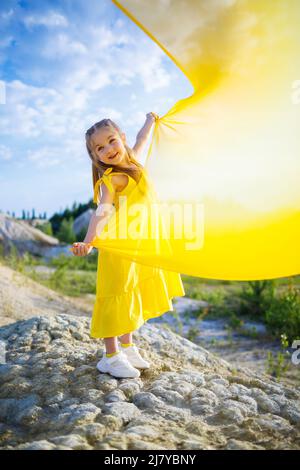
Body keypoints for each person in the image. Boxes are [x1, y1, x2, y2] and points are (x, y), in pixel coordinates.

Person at [71, 112, 185, 379]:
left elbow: (142, 138)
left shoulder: (134, 161)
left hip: (136, 248)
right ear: (95, 155)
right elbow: (101, 212)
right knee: (115, 296)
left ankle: (127, 346)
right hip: (117, 249)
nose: (108, 149)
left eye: (111, 141)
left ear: (121, 138)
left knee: (130, 294)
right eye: (99, 148)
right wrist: (88, 243)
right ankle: (109, 356)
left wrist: (150, 120)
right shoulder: (111, 180)